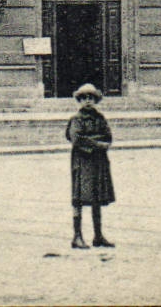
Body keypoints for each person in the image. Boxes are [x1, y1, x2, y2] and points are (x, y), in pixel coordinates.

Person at [65, 83, 114, 249]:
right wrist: (97, 143)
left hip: (98, 163)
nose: (87, 101)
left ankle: (98, 236)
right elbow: (77, 139)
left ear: (95, 100)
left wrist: (93, 141)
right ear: (79, 100)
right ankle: (77, 236)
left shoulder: (100, 118)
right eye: (84, 98)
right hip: (82, 163)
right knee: (79, 198)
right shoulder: (76, 119)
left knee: (97, 198)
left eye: (91, 98)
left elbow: (108, 137)